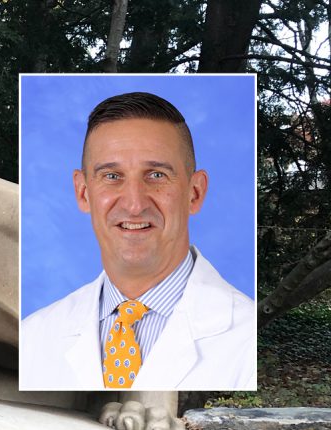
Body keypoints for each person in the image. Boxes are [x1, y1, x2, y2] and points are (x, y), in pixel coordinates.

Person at [20, 92, 255, 390]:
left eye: (156, 175)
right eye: (112, 176)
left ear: (194, 193)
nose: (134, 204)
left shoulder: (247, 340)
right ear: (83, 193)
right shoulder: (33, 338)